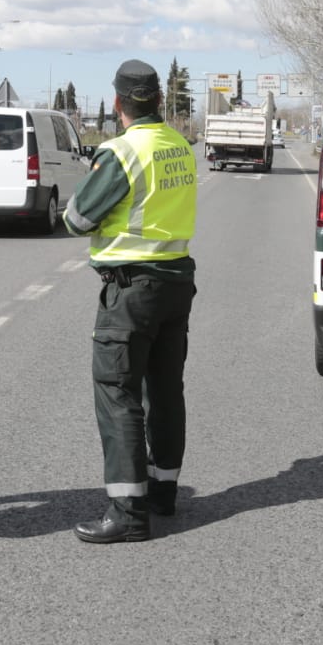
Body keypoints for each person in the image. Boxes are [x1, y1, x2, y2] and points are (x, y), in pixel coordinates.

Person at [62, 59, 198, 543]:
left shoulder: (121, 152)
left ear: (117, 102)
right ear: (159, 100)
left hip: (132, 289)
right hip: (176, 282)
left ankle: (128, 513)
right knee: (165, 391)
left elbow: (76, 220)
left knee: (118, 394)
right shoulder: (178, 144)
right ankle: (163, 492)